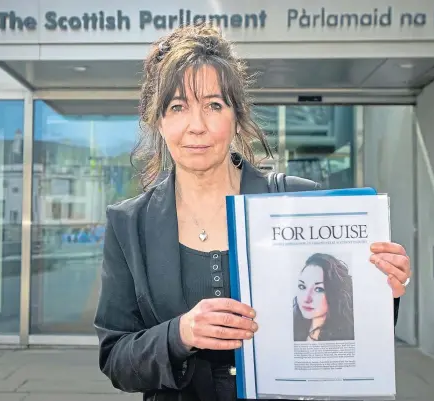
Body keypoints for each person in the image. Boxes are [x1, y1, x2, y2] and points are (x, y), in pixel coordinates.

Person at [93, 24, 412, 401]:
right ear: (158, 120)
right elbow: (117, 359)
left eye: (213, 105)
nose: (197, 126)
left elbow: (347, 328)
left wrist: (381, 289)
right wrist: (179, 333)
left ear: (236, 115)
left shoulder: (298, 204)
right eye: (178, 107)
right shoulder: (130, 225)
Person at [293, 253, 354, 342]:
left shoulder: (345, 336)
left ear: (335, 292)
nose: (306, 298)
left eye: (318, 289)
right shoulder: (294, 329)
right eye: (302, 287)